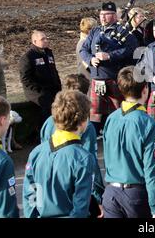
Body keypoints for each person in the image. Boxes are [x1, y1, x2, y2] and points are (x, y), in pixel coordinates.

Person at [102, 66, 155, 218]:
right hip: (135, 196)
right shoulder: (149, 124)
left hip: (111, 193)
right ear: (145, 89)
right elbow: (153, 170)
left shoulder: (111, 118)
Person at [39, 74, 105, 217]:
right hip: (73, 192)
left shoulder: (48, 123)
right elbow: (91, 165)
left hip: (48, 194)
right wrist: (99, 197)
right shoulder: (85, 126)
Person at [23, 90, 95, 218]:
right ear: (83, 121)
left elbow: (29, 196)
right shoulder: (83, 158)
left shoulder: (36, 153)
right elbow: (81, 206)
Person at [80, 1, 138, 135]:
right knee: (94, 113)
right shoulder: (95, 31)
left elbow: (131, 49)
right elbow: (83, 50)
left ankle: (120, 136)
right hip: (97, 78)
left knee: (118, 110)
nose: (103, 17)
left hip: (114, 78)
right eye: (101, 14)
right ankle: (92, 141)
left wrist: (110, 56)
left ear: (114, 16)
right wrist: (90, 59)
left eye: (106, 14)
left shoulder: (123, 32)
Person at [19, 30, 62, 130]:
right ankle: (43, 135)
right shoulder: (28, 57)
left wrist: (58, 86)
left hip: (52, 89)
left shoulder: (48, 53)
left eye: (46, 38)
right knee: (47, 108)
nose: (46, 40)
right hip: (37, 92)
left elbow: (54, 71)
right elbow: (25, 79)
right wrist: (40, 90)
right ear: (34, 41)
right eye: (43, 39)